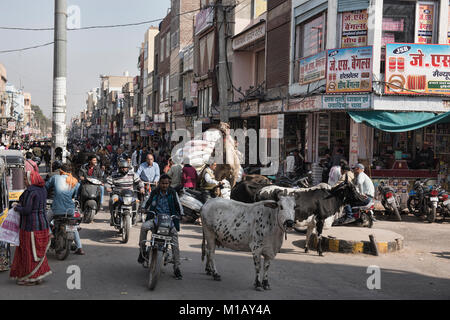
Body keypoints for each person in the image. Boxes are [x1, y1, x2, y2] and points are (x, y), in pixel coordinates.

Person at [9, 170, 52, 285]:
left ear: (31, 179)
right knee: (38, 252)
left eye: (25, 179)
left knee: (29, 253)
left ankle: (30, 278)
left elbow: (27, 210)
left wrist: (16, 207)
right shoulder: (43, 189)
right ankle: (39, 276)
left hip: (30, 226)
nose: (24, 181)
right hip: (43, 225)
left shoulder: (30, 191)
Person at [138, 174, 183, 280]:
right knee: (144, 227)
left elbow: (179, 205)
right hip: (155, 219)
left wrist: (181, 214)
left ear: (169, 184)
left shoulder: (173, 192)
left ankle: (176, 267)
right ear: (159, 183)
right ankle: (142, 251)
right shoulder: (154, 192)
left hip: (170, 220)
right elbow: (147, 201)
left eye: (166, 183)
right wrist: (144, 208)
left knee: (175, 242)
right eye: (162, 183)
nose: (164, 185)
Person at [45, 164, 84, 255]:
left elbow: (46, 187)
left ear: (61, 171)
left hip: (56, 209)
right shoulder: (75, 181)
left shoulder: (55, 178)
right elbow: (74, 196)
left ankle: (50, 233)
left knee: (44, 220)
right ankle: (80, 248)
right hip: (70, 209)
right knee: (73, 227)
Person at [105, 160, 144, 226]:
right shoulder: (114, 174)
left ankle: (134, 216)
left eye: (125, 168)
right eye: (122, 168)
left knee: (137, 202)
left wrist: (141, 188)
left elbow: (139, 182)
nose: (124, 169)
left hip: (130, 194)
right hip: (118, 194)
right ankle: (112, 217)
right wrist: (108, 188)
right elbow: (108, 183)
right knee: (112, 200)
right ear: (119, 168)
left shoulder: (132, 174)